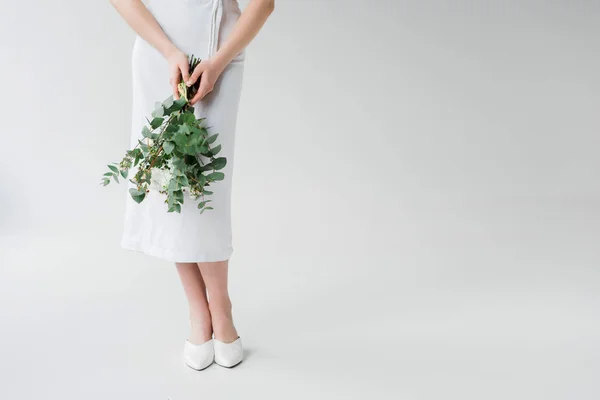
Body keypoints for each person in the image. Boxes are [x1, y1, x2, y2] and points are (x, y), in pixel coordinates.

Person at [109, 0, 274, 370]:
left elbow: (264, 4)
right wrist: (168, 51)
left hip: (220, 56)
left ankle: (221, 305)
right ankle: (198, 310)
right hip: (159, 53)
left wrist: (216, 63)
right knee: (170, 181)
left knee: (208, 190)